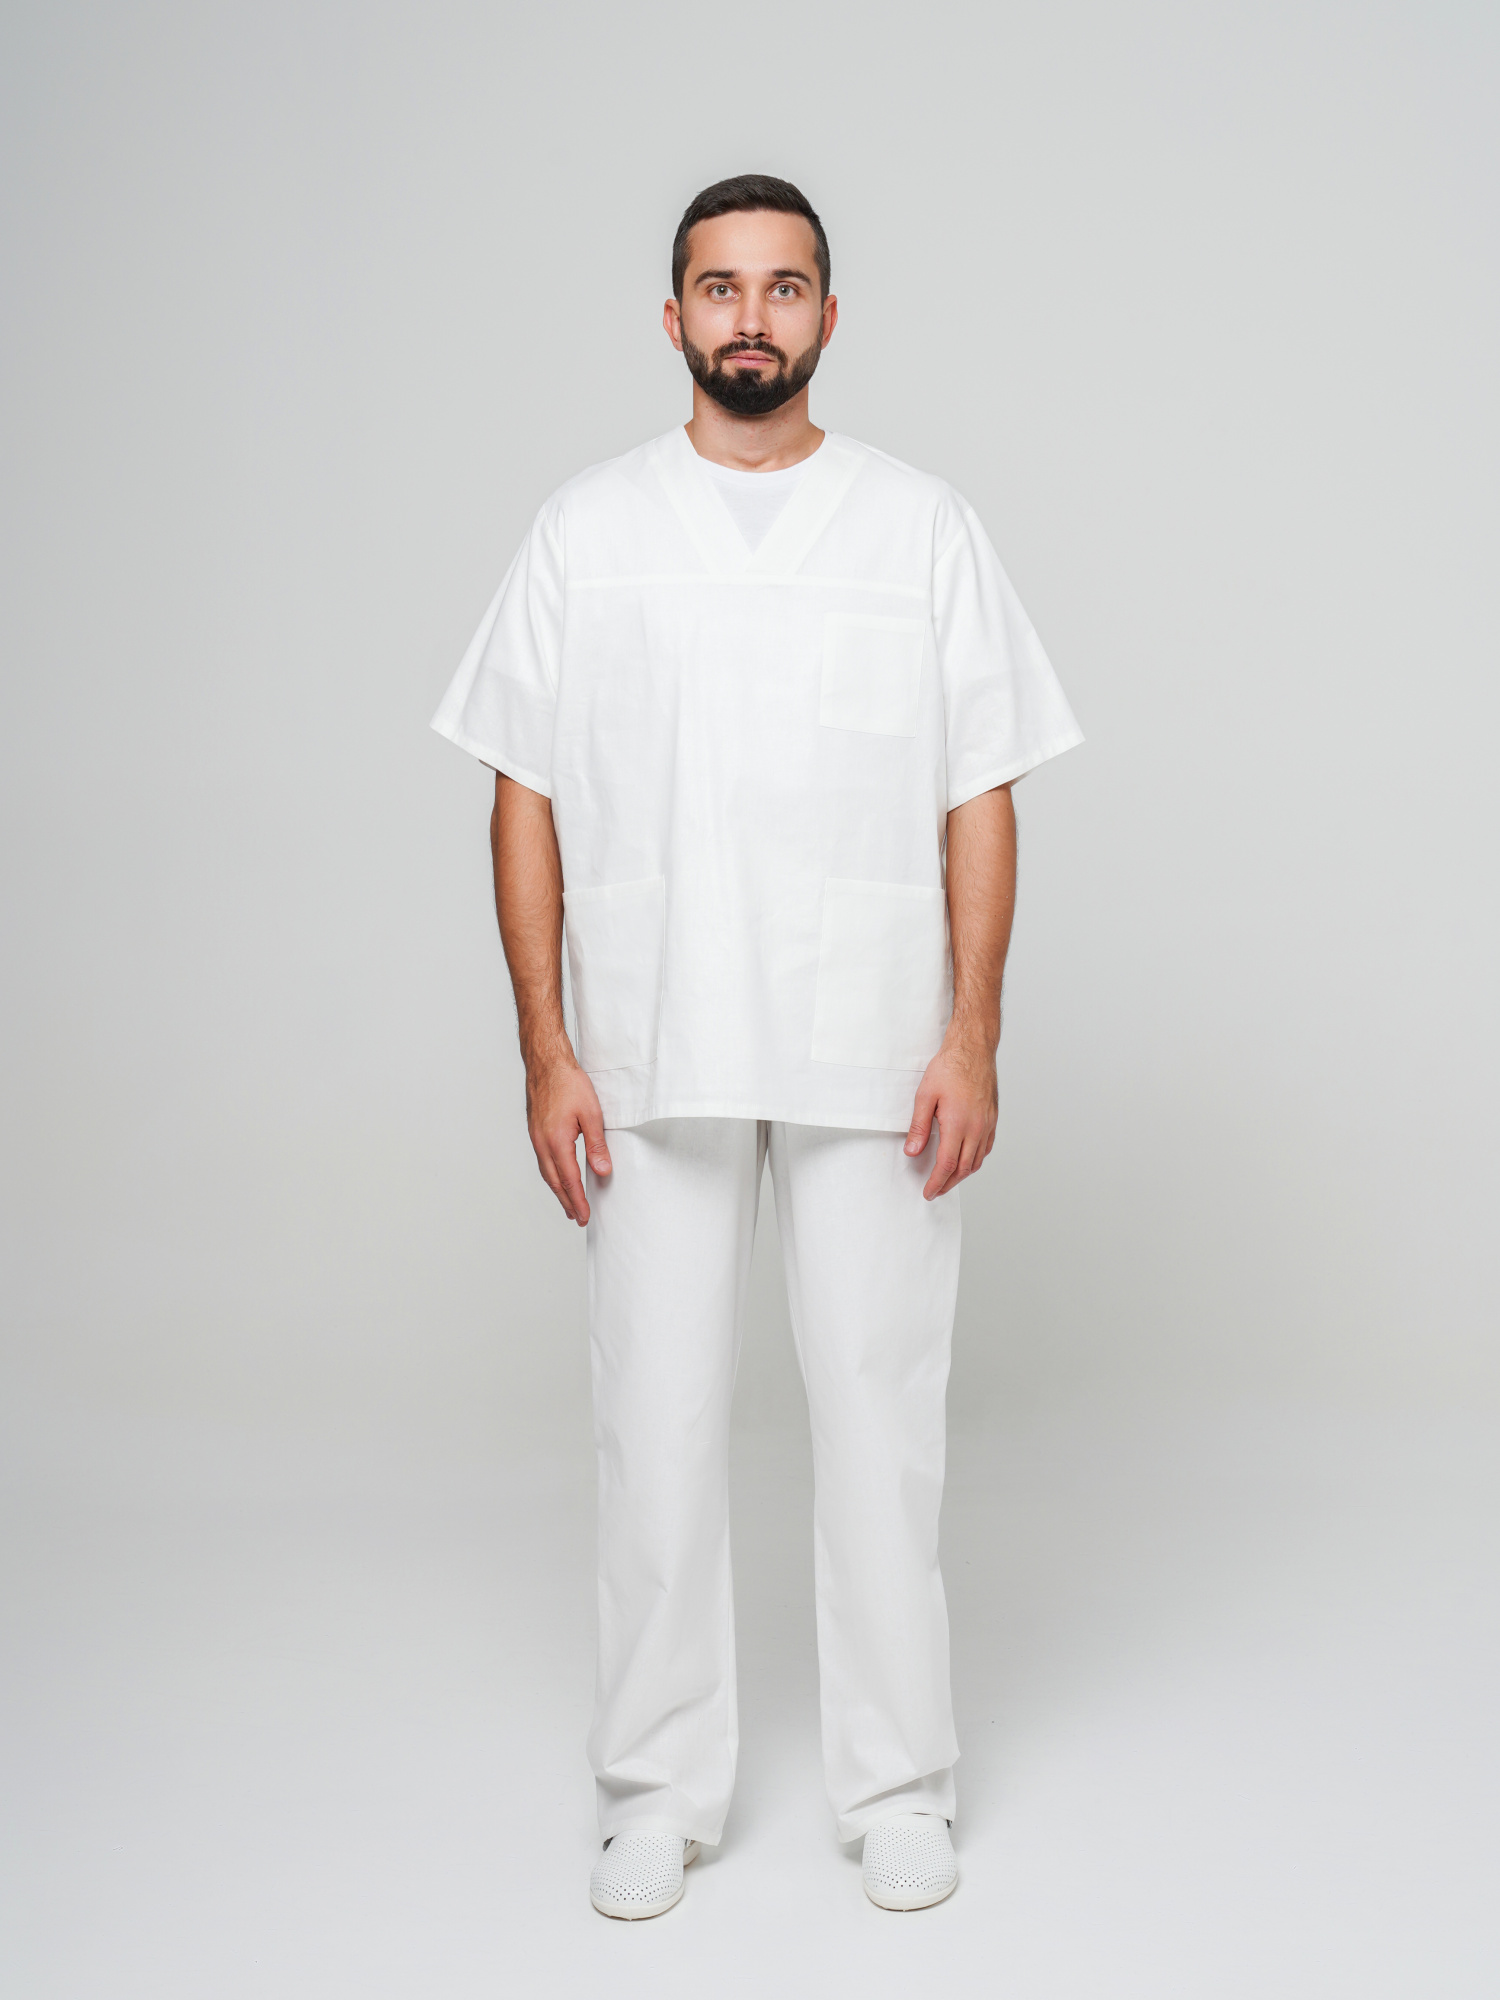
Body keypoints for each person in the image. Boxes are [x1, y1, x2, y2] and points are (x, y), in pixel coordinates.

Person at [432, 173, 1081, 1917]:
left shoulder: (918, 529)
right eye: (719, 287)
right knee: (653, 1425)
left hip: (874, 1044)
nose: (750, 317)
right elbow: (521, 790)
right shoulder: (589, 531)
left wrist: (972, 1034)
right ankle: (655, 1787)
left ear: (828, 317)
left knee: (883, 1420)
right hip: (652, 1040)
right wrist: (546, 1048)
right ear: (672, 318)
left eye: (783, 287)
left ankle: (899, 1784)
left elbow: (981, 788)